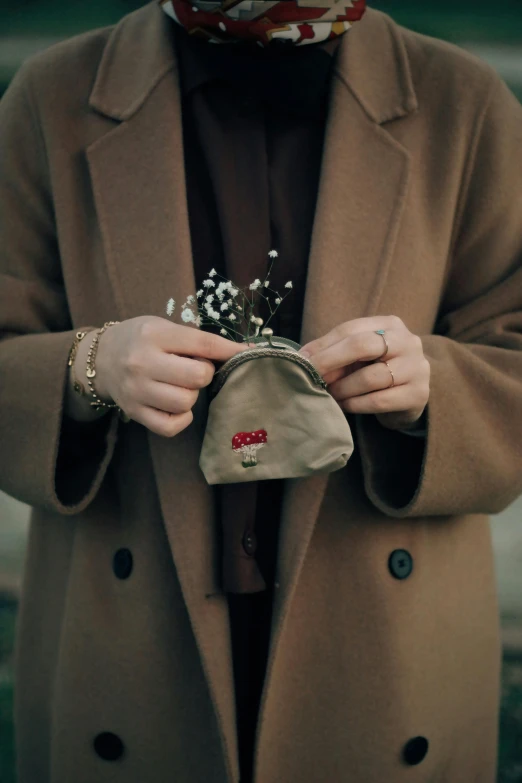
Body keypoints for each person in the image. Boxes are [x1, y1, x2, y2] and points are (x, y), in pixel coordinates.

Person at [1, 0, 522, 781]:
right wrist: (89, 365)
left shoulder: (466, 102)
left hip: (380, 645)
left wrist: (431, 388)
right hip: (132, 634)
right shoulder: (52, 97)